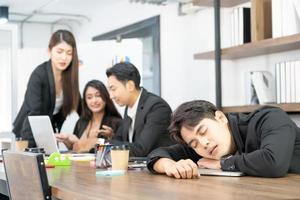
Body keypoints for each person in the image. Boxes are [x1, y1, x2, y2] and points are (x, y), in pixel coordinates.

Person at [147, 100, 300, 178]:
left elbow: (273, 162)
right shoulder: (205, 147)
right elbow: (157, 154)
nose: (204, 143)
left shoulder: (270, 118)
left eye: (203, 131)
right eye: (193, 144)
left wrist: (222, 163)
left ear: (220, 117)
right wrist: (168, 166)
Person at [13, 30, 81, 147]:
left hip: (48, 134)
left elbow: (82, 109)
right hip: (27, 132)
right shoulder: (39, 75)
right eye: (59, 51)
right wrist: (47, 137)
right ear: (49, 50)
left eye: (69, 53)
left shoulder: (70, 78)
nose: (64, 57)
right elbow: (34, 112)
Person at [106, 62, 173, 157]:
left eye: (113, 89)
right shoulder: (129, 107)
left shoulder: (157, 107)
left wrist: (103, 143)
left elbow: (141, 150)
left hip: (158, 169)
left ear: (130, 86)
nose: (111, 96)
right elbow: (120, 140)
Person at [55, 80, 122, 152]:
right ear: (85, 101)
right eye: (89, 97)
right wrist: (67, 141)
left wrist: (111, 138)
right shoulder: (81, 122)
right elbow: (76, 149)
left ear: (105, 97)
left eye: (98, 95)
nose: (94, 101)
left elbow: (121, 149)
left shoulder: (116, 122)